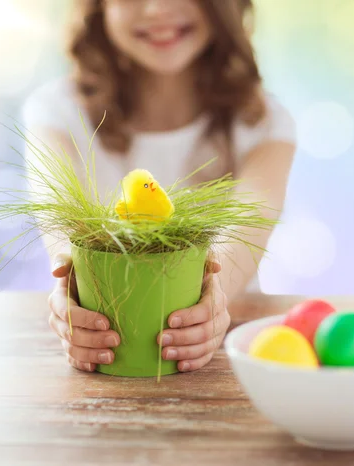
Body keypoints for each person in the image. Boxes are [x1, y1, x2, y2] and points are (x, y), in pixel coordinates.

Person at [22, 0, 296, 373]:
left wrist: (209, 304)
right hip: (110, 354)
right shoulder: (56, 111)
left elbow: (252, 218)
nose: (156, 9)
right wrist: (70, 293)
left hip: (226, 357)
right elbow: (59, 225)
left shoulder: (263, 123)